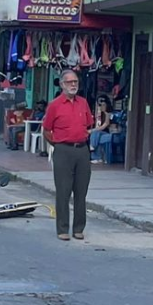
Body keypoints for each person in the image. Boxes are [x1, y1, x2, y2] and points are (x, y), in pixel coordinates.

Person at [43, 70, 93, 241]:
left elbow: (89, 125)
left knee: (81, 191)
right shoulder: (55, 105)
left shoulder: (83, 103)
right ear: (62, 84)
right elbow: (47, 130)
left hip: (82, 150)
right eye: (70, 82)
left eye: (76, 82)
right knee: (63, 191)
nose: (73, 85)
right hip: (63, 150)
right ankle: (62, 229)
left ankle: (79, 228)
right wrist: (58, 144)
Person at [90, 95, 113, 164]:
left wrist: (93, 130)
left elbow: (105, 125)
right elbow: (96, 125)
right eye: (100, 105)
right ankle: (98, 158)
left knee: (96, 132)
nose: (101, 106)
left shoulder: (108, 114)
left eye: (103, 105)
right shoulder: (99, 114)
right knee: (97, 137)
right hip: (99, 134)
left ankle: (93, 147)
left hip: (107, 132)